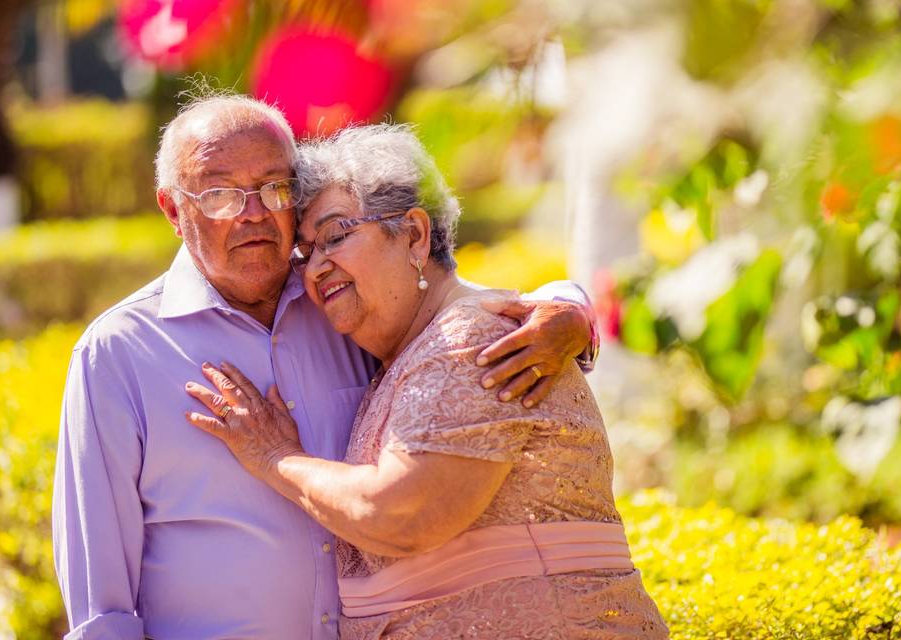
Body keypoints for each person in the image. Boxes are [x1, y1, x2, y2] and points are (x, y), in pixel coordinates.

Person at [52, 94, 599, 639]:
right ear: (173, 209)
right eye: (220, 194)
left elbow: (461, 306)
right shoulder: (118, 354)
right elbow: (102, 610)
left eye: (274, 188)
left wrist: (571, 310)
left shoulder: (346, 303)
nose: (254, 213)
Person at [185, 124, 668, 639]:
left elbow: (400, 514)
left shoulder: (469, 339)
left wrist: (275, 457)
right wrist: (573, 309)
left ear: (415, 235)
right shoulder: (405, 351)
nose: (316, 268)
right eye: (305, 253)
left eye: (335, 236)